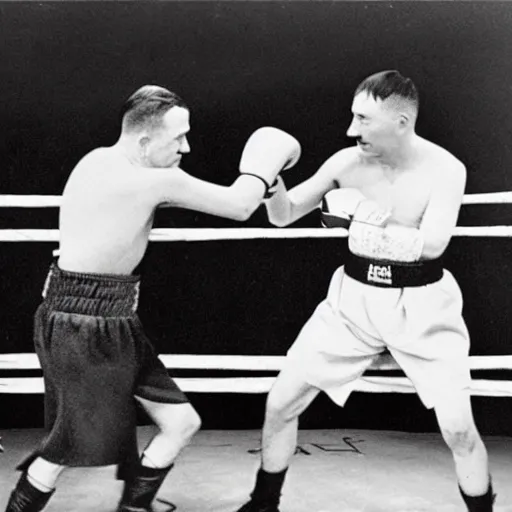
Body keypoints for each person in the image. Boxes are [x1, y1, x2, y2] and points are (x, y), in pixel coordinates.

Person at [4, 84, 301, 512]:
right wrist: (264, 167)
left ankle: (134, 507)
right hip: (83, 325)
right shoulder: (156, 179)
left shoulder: (93, 160)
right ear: (145, 142)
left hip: (100, 315)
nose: (187, 146)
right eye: (177, 137)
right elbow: (239, 206)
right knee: (63, 449)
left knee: (180, 422)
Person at [234, 70, 495, 512]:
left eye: (364, 119)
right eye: (352, 117)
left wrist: (364, 221)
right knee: (280, 403)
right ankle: (262, 505)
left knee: (458, 429)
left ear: (401, 122)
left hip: (424, 307)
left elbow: (431, 245)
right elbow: (284, 215)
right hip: (351, 302)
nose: (351, 129)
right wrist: (271, 183)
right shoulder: (345, 163)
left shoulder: (446, 168)